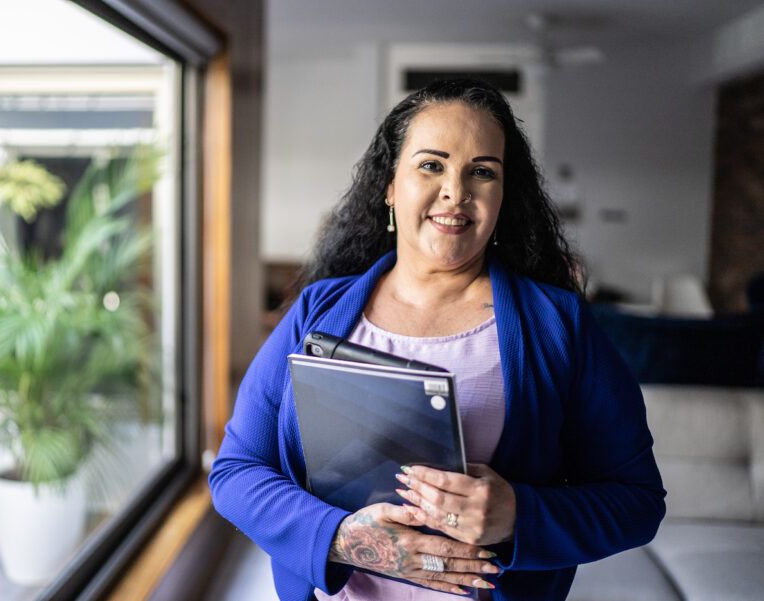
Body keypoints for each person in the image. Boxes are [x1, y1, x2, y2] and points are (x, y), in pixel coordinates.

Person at [209, 78, 665, 601]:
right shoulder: (320, 311)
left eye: (482, 172)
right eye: (431, 164)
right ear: (390, 185)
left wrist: (519, 515)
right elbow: (238, 472)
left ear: (502, 196)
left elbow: (637, 502)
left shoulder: (557, 325)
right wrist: (340, 539)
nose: (456, 191)